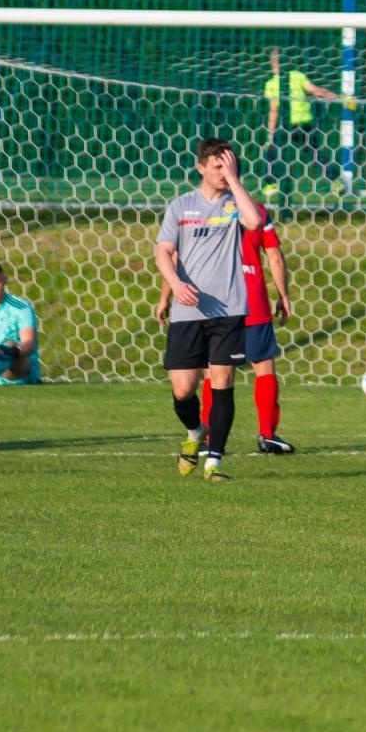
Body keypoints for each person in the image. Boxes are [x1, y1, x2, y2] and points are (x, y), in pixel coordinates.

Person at [156, 138, 264, 482]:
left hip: (229, 308)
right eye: (217, 166)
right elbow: (163, 251)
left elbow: (255, 222)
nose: (222, 172)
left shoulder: (236, 203)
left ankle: (214, 462)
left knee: (222, 381)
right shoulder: (180, 206)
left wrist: (235, 180)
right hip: (189, 311)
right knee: (183, 390)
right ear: (200, 166)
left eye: (228, 165)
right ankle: (194, 432)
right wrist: (173, 285)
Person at [157, 205, 297, 455]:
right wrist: (283, 296)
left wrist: (165, 297)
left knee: (214, 371)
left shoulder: (200, 210)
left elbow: (177, 258)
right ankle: (267, 434)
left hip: (217, 303)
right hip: (252, 299)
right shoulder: (257, 211)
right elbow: (274, 255)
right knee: (263, 365)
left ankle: (209, 437)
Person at [262, 47, 343, 201]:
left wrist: (270, 134)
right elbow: (314, 90)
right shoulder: (293, 77)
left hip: (291, 124)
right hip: (300, 122)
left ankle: (270, 183)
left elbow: (274, 110)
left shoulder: (276, 82)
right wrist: (329, 94)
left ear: (274, 64)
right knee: (313, 152)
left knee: (273, 150)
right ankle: (336, 181)